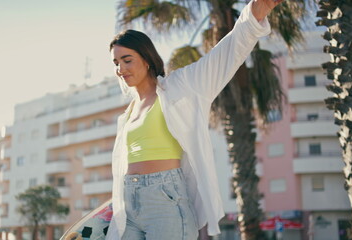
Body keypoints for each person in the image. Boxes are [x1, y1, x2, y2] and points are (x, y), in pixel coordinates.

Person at [106, 0, 283, 239]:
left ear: (146, 59)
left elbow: (222, 58)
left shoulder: (179, 88)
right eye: (116, 63)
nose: (120, 69)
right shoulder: (127, 113)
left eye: (127, 60)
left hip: (165, 201)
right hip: (129, 203)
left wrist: (252, 17)